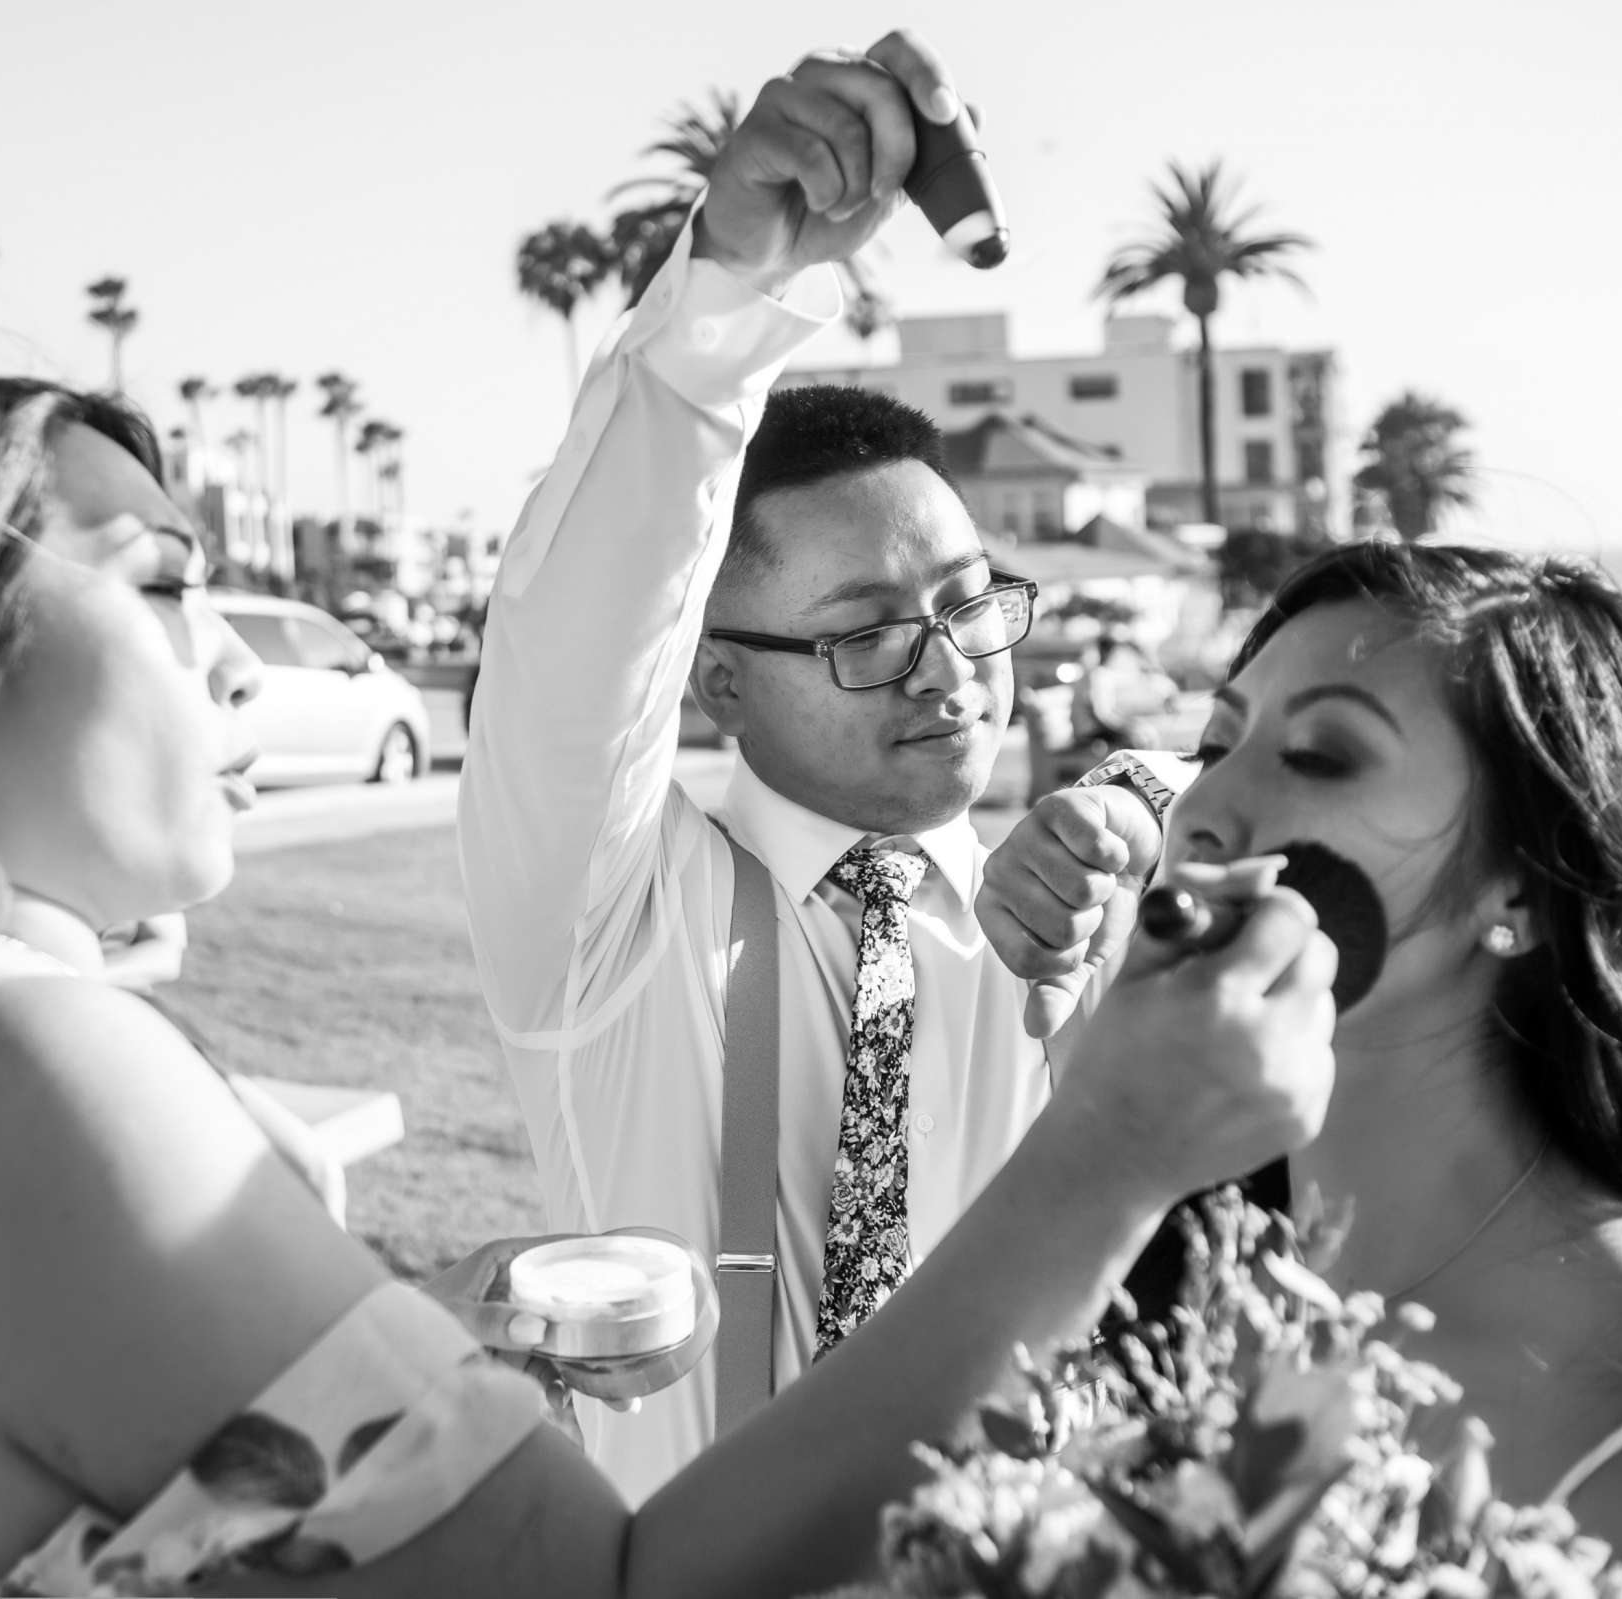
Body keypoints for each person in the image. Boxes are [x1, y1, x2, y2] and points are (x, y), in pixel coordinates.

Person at [0, 35, 1344, 1599]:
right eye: (161, 581)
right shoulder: (19, 1061)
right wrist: (1113, 1154)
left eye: (972, 608)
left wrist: (413, 1325)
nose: (236, 660)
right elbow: (609, 1582)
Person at [977, 540, 1622, 1598]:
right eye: (1216, 740)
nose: (1201, 810)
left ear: (1523, 891)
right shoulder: (1188, 1268)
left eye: (1322, 755)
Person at [460, 56, 1139, 1501]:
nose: (952, 668)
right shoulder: (614, 931)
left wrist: (1132, 854)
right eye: (866, 637)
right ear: (719, 680)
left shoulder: (1071, 918)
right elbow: (576, 642)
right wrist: (726, 294)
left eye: (968, 603)